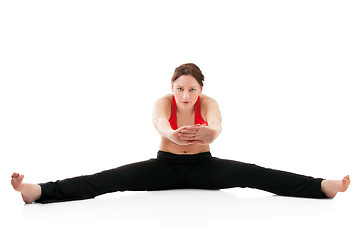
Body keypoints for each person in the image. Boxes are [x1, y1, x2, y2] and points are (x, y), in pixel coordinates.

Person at [11, 63, 350, 204]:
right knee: (107, 179)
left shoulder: (210, 102)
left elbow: (216, 127)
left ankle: (322, 187)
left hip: (205, 168)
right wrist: (173, 135)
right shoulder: (162, 102)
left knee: (254, 174)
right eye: (179, 89)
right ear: (172, 88)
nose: (185, 96)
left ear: (200, 88)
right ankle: (37, 192)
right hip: (164, 167)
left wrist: (208, 134)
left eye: (190, 89)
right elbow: (160, 125)